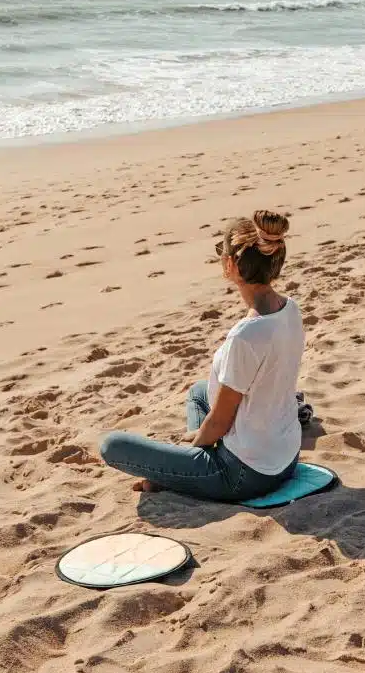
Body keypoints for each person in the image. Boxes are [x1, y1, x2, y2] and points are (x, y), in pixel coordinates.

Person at [99, 210, 304, 502]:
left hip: (246, 474)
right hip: (285, 454)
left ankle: (184, 473)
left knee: (112, 446)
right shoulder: (290, 309)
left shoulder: (246, 336)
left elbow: (219, 422)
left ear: (230, 265)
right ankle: (185, 471)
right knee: (198, 392)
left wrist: (196, 443)